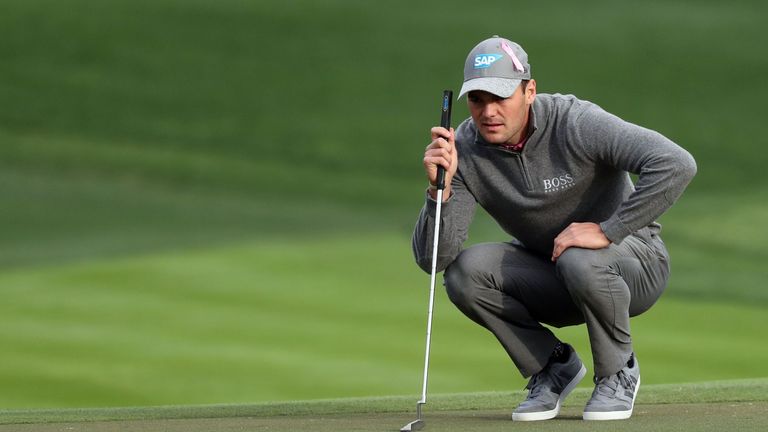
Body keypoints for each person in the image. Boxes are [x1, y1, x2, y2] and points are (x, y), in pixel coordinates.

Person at [412, 35, 696, 421]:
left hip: (635, 267)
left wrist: (609, 230)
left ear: (530, 91)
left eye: (500, 97)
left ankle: (618, 371)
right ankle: (553, 365)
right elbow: (435, 261)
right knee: (464, 274)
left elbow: (676, 163)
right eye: (478, 99)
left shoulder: (575, 122)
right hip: (554, 272)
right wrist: (438, 190)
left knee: (581, 257)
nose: (489, 111)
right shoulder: (463, 149)